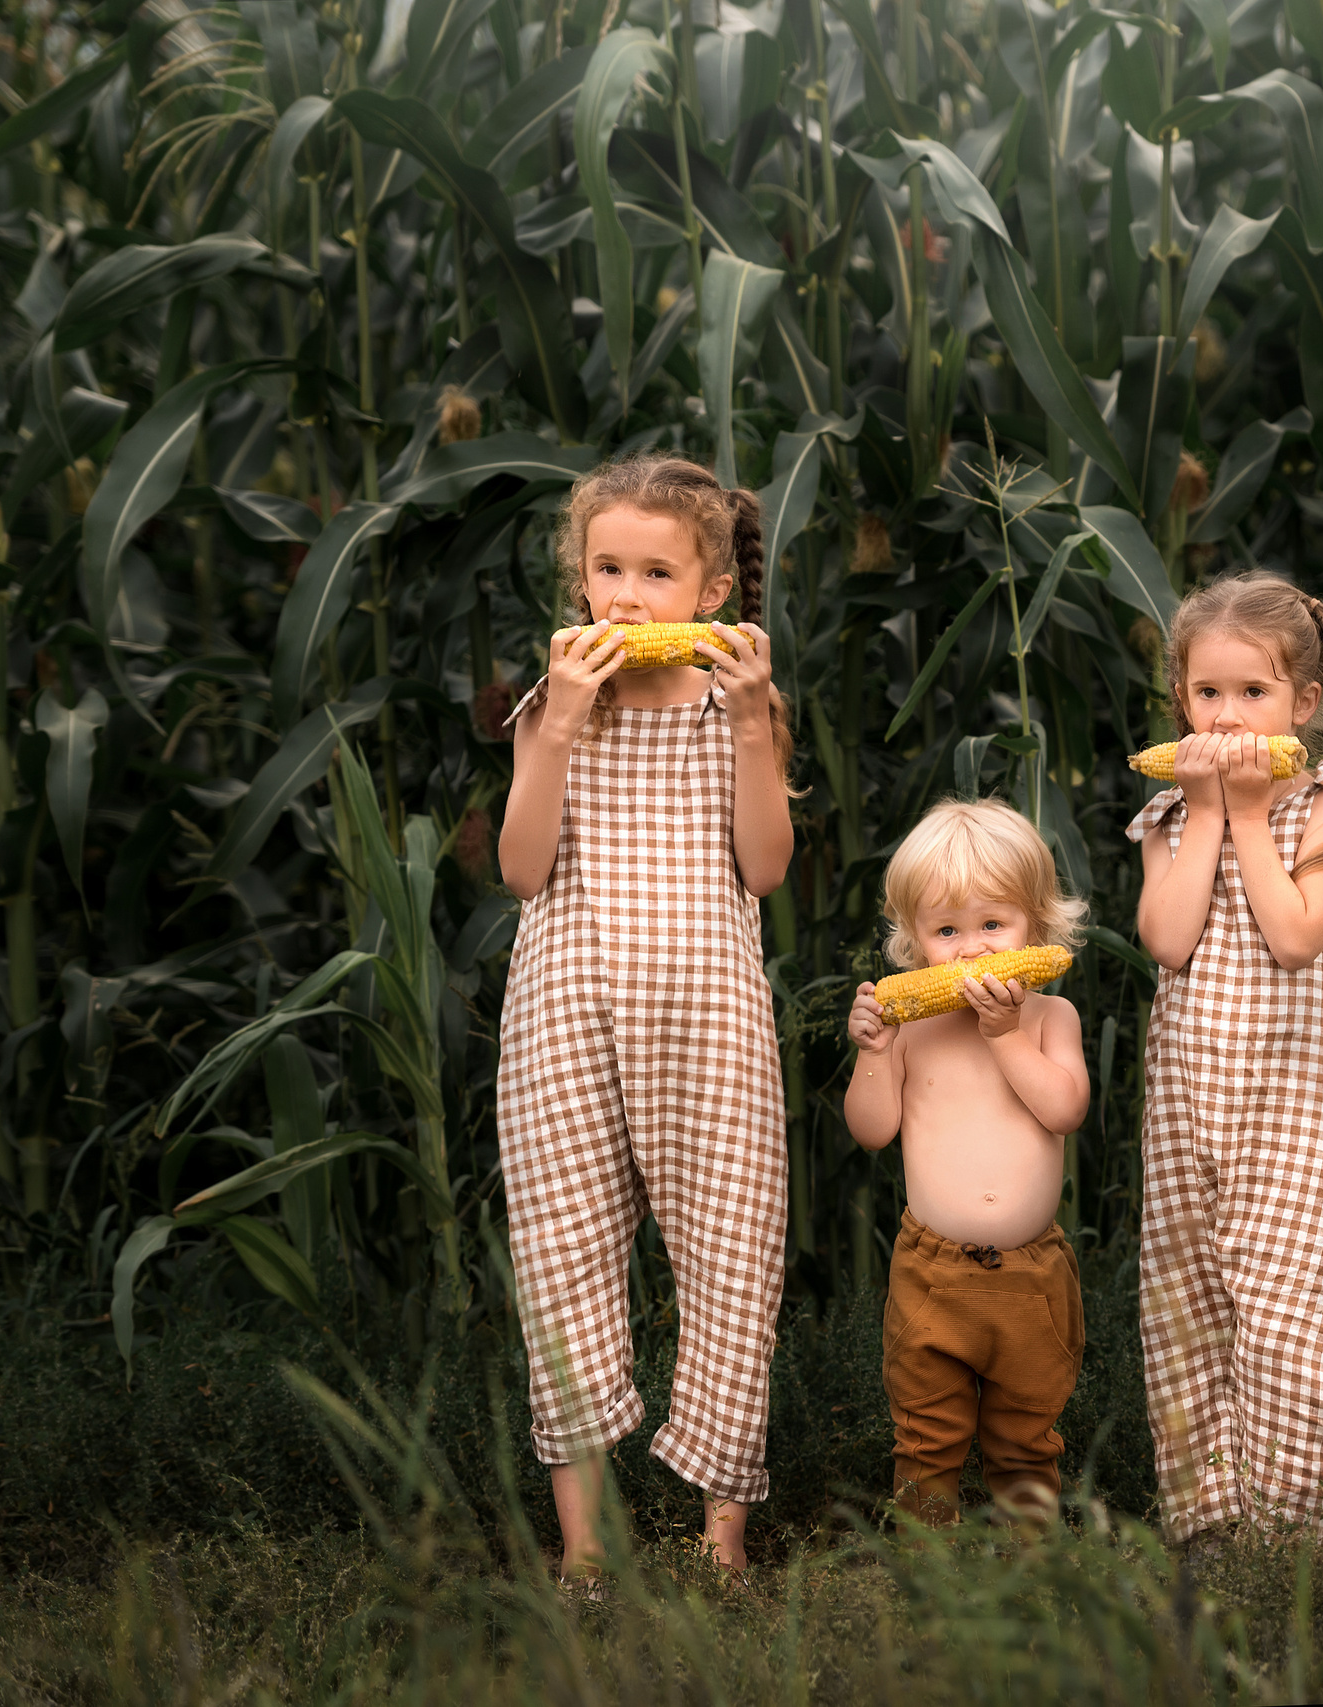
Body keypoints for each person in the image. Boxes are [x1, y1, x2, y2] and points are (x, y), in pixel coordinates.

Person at [495, 455, 796, 1579]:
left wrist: (759, 722)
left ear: (711, 591)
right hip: (563, 1016)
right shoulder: (551, 707)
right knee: (562, 1253)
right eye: (604, 568)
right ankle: (583, 1547)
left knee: (732, 1250)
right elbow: (524, 872)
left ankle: (723, 1535)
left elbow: (763, 870)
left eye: (654, 573)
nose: (624, 595)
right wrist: (562, 725)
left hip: (707, 1017)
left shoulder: (733, 707)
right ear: (579, 578)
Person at [1126, 573, 1323, 1550]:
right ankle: (1204, 1531)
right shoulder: (1164, 820)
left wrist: (1238, 815)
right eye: (1207, 695)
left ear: (1303, 706)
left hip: (1295, 1120)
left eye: (1252, 694)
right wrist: (1198, 813)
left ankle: (1281, 1538)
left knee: (1285, 1330)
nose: (1227, 718)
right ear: (1180, 701)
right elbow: (1167, 938)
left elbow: (1292, 937)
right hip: (1189, 1115)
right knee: (1187, 1321)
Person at [843, 799, 1092, 1528]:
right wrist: (873, 1055)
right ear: (914, 940)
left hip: (1030, 1278)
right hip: (933, 1273)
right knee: (926, 1437)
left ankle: (1033, 1571)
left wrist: (1007, 1037)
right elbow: (872, 1129)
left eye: (993, 924)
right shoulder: (912, 1032)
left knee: (1026, 1437)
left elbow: (1065, 1109)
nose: (972, 949)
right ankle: (929, 1568)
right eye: (947, 930)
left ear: (1035, 925)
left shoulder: (1052, 1019)